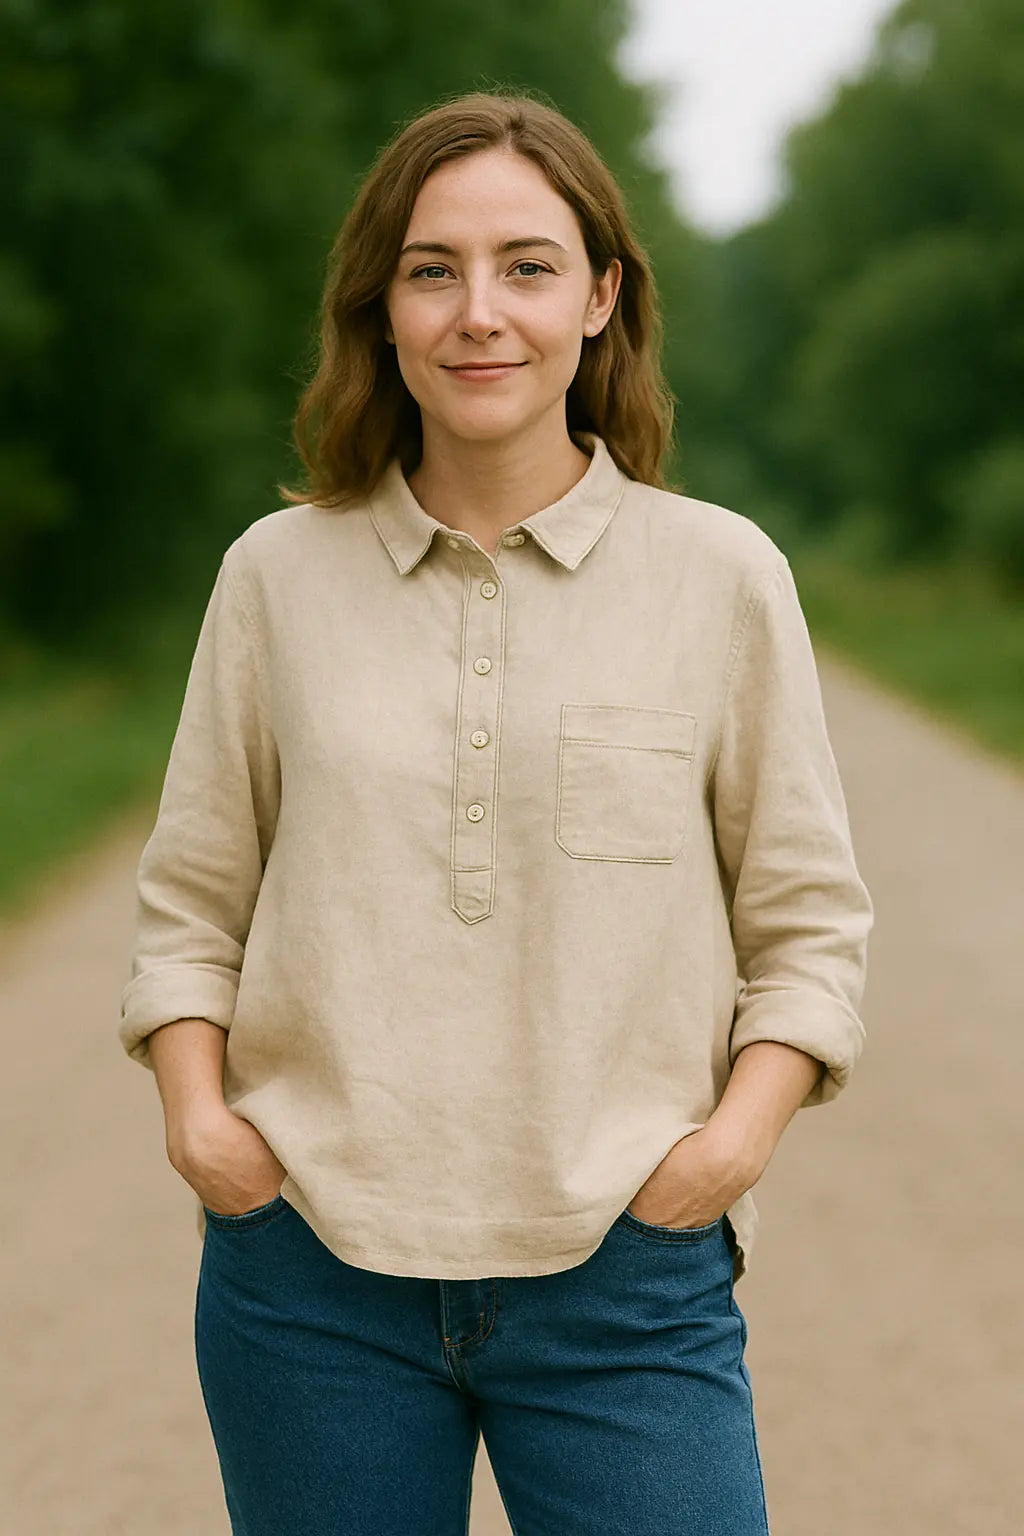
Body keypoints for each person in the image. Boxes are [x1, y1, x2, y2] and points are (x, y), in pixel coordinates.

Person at [119, 88, 873, 1536]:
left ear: (600, 299)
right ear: (381, 308)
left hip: (625, 1275)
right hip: (311, 1278)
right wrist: (206, 1128)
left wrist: (724, 1152)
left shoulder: (721, 577)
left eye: (527, 267)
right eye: (433, 269)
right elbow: (192, 904)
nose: (481, 312)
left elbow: (809, 924)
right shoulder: (275, 576)